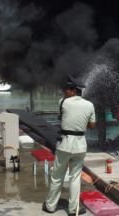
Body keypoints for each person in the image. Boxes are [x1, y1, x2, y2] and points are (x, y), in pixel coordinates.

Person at [43, 75, 96, 215]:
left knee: (57, 176)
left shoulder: (62, 102)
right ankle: (74, 209)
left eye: (66, 89)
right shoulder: (89, 105)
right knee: (75, 177)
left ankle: (50, 206)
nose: (64, 92)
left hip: (65, 144)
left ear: (73, 90)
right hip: (80, 146)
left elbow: (61, 117)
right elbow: (91, 125)